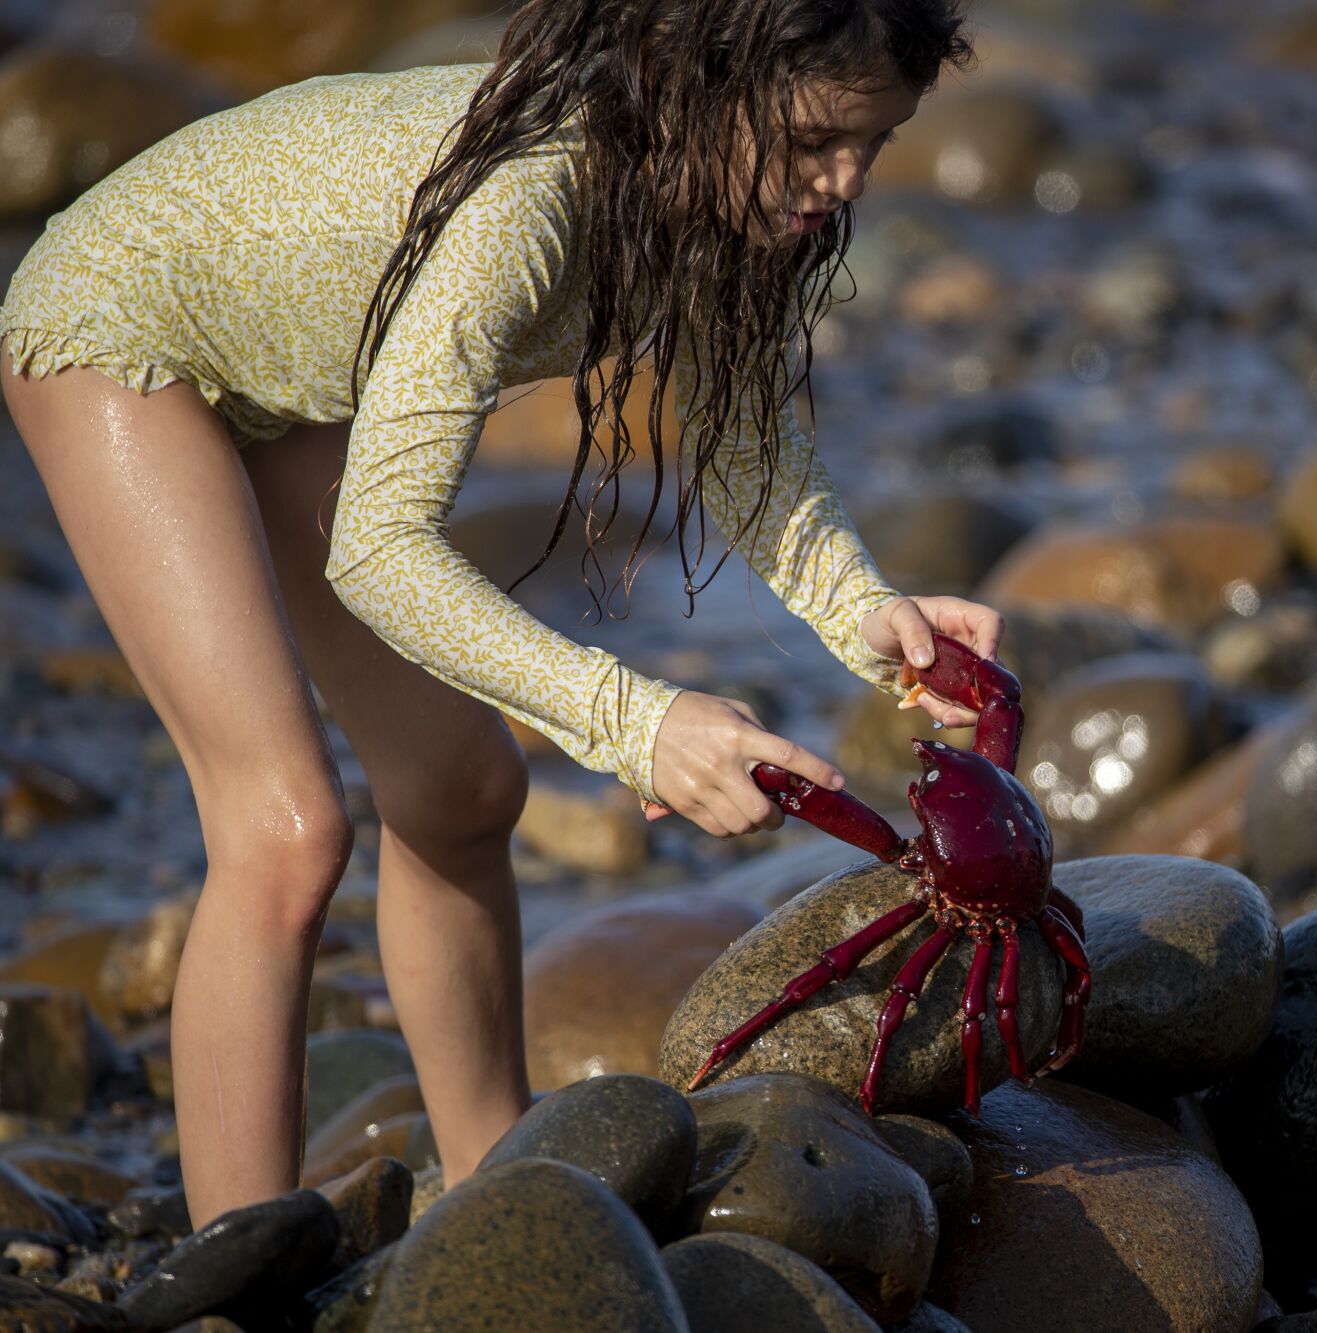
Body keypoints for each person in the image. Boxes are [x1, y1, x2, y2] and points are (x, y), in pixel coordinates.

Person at [0, 0, 996, 1227]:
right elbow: (379, 549)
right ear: (689, 85)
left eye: (872, 145)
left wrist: (869, 616)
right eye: (808, 143)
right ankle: (236, 1264)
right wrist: (636, 724)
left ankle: (494, 1181)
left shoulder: (724, 197)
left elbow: (743, 446)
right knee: (286, 827)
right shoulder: (529, 208)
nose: (837, 185)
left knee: (461, 790)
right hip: (121, 326)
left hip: (299, 364)